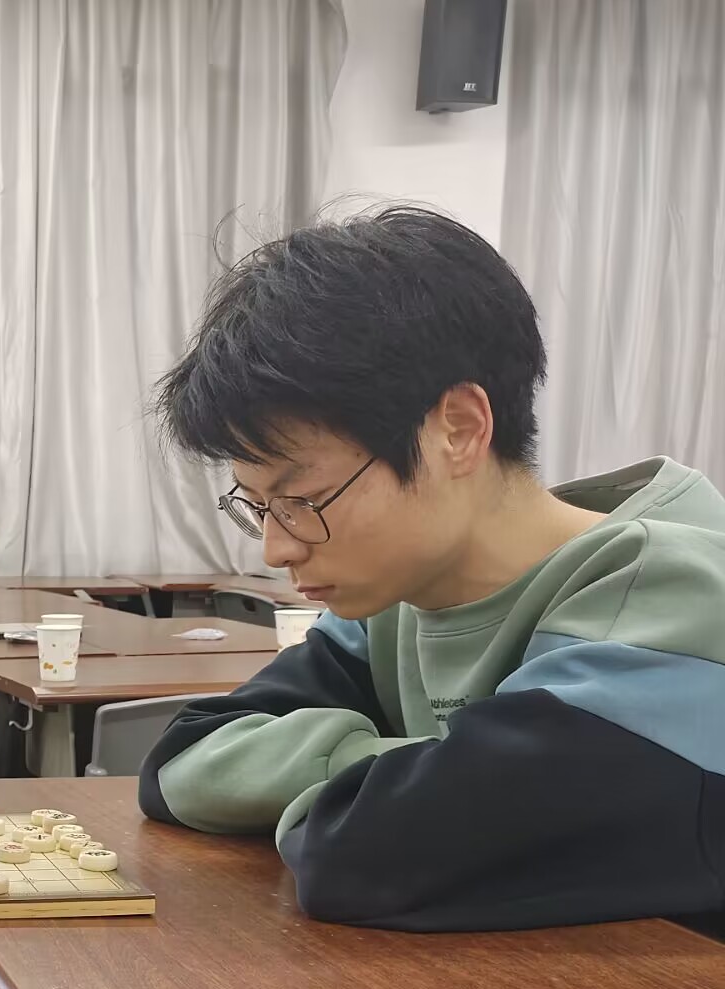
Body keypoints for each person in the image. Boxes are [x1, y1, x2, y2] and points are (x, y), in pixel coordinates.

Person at [140, 206, 725, 933]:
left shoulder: (674, 596)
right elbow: (182, 760)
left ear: (459, 430)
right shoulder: (399, 602)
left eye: (302, 500)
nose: (276, 549)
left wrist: (363, 789)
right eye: (259, 507)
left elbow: (362, 859)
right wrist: (416, 765)